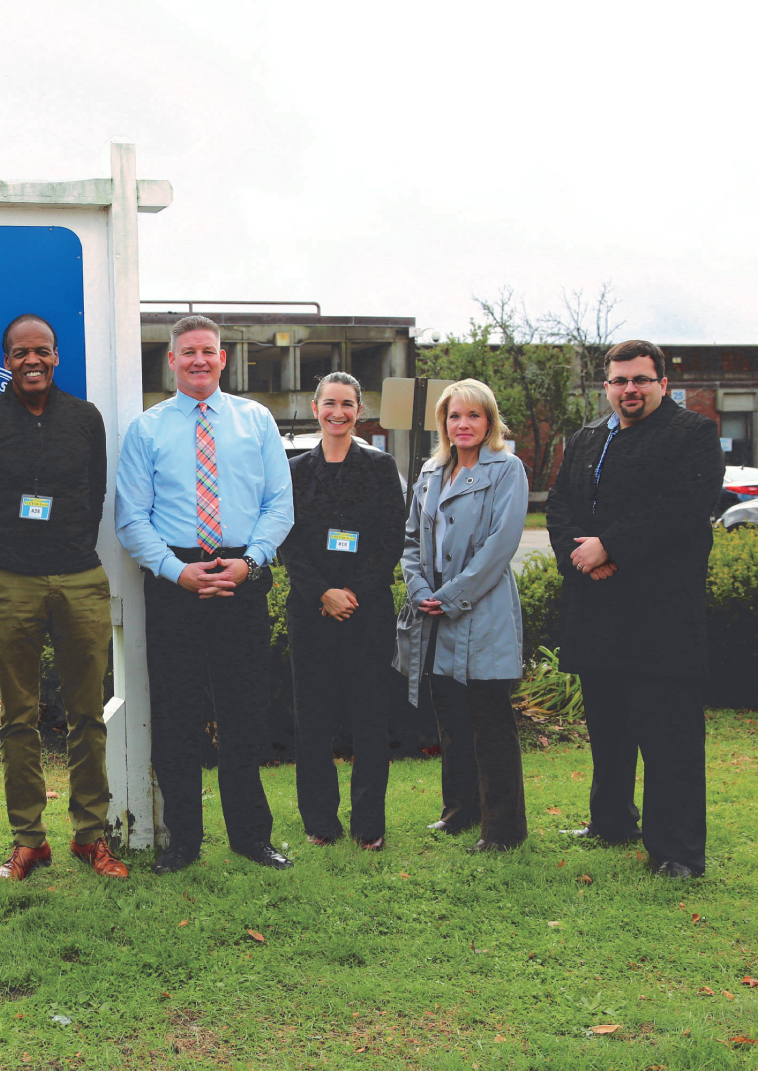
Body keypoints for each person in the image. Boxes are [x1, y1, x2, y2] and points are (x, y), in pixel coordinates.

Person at [0, 314, 128, 882]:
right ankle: (29, 840)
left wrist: (72, 541)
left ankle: (90, 836)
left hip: (79, 578)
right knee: (19, 718)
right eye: (22, 352)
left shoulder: (84, 419)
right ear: (7, 361)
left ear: (56, 357)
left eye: (42, 351)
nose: (33, 361)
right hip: (11, 583)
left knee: (87, 714)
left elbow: (96, 489)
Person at [115, 314, 295, 874]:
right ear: (171, 361)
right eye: (188, 351)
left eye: (208, 351)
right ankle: (183, 841)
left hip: (243, 572)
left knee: (245, 712)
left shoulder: (256, 420)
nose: (199, 360)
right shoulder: (146, 429)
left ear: (223, 358)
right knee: (177, 716)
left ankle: (250, 837)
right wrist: (176, 571)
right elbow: (130, 518)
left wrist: (251, 562)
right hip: (177, 583)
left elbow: (279, 504)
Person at [546, 341, 723, 877]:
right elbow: (559, 507)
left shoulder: (692, 435)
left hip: (661, 617)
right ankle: (611, 822)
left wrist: (611, 546)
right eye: (620, 381)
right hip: (598, 610)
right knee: (610, 729)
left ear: (663, 384)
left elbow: (683, 509)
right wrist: (582, 558)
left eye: (641, 380)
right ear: (607, 386)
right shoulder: (587, 439)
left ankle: (678, 852)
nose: (630, 390)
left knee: (670, 740)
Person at [394, 378, 529, 852]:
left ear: (489, 421)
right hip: (432, 613)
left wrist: (450, 596)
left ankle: (504, 830)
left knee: (490, 721)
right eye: (455, 416)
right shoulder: (431, 472)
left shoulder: (506, 469)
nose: (463, 424)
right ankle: (459, 813)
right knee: (450, 720)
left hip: (482, 611)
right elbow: (410, 541)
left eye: (473, 415)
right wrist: (419, 589)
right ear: (443, 423)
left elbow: (500, 546)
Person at [280, 372, 406, 850]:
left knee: (370, 718)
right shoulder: (294, 471)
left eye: (348, 404)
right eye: (329, 403)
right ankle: (320, 823)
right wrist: (322, 593)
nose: (338, 412)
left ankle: (369, 825)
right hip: (311, 611)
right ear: (315, 409)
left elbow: (392, 538)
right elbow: (286, 539)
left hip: (367, 610)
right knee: (312, 718)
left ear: (360, 411)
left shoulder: (378, 467)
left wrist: (352, 590)